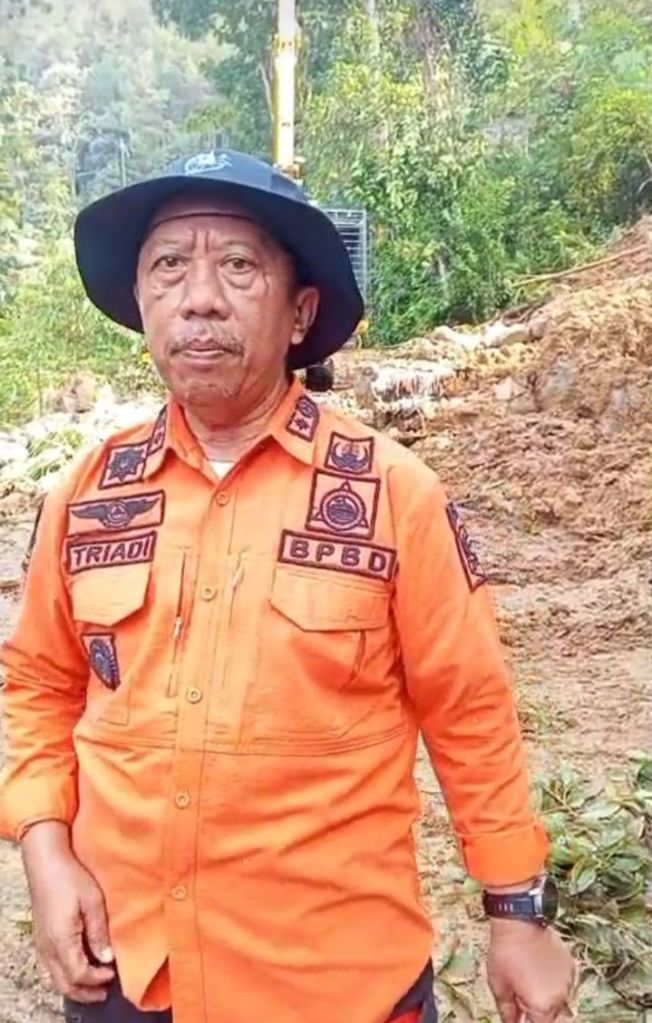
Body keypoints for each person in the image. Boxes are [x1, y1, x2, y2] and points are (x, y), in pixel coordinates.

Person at [0, 150, 576, 1023]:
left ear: (300, 311)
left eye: (238, 265)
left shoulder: (391, 494)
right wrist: (45, 853)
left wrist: (516, 914)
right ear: (141, 300)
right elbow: (39, 685)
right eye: (168, 265)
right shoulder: (87, 493)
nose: (199, 297)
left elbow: (471, 711)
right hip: (129, 970)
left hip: (336, 986)